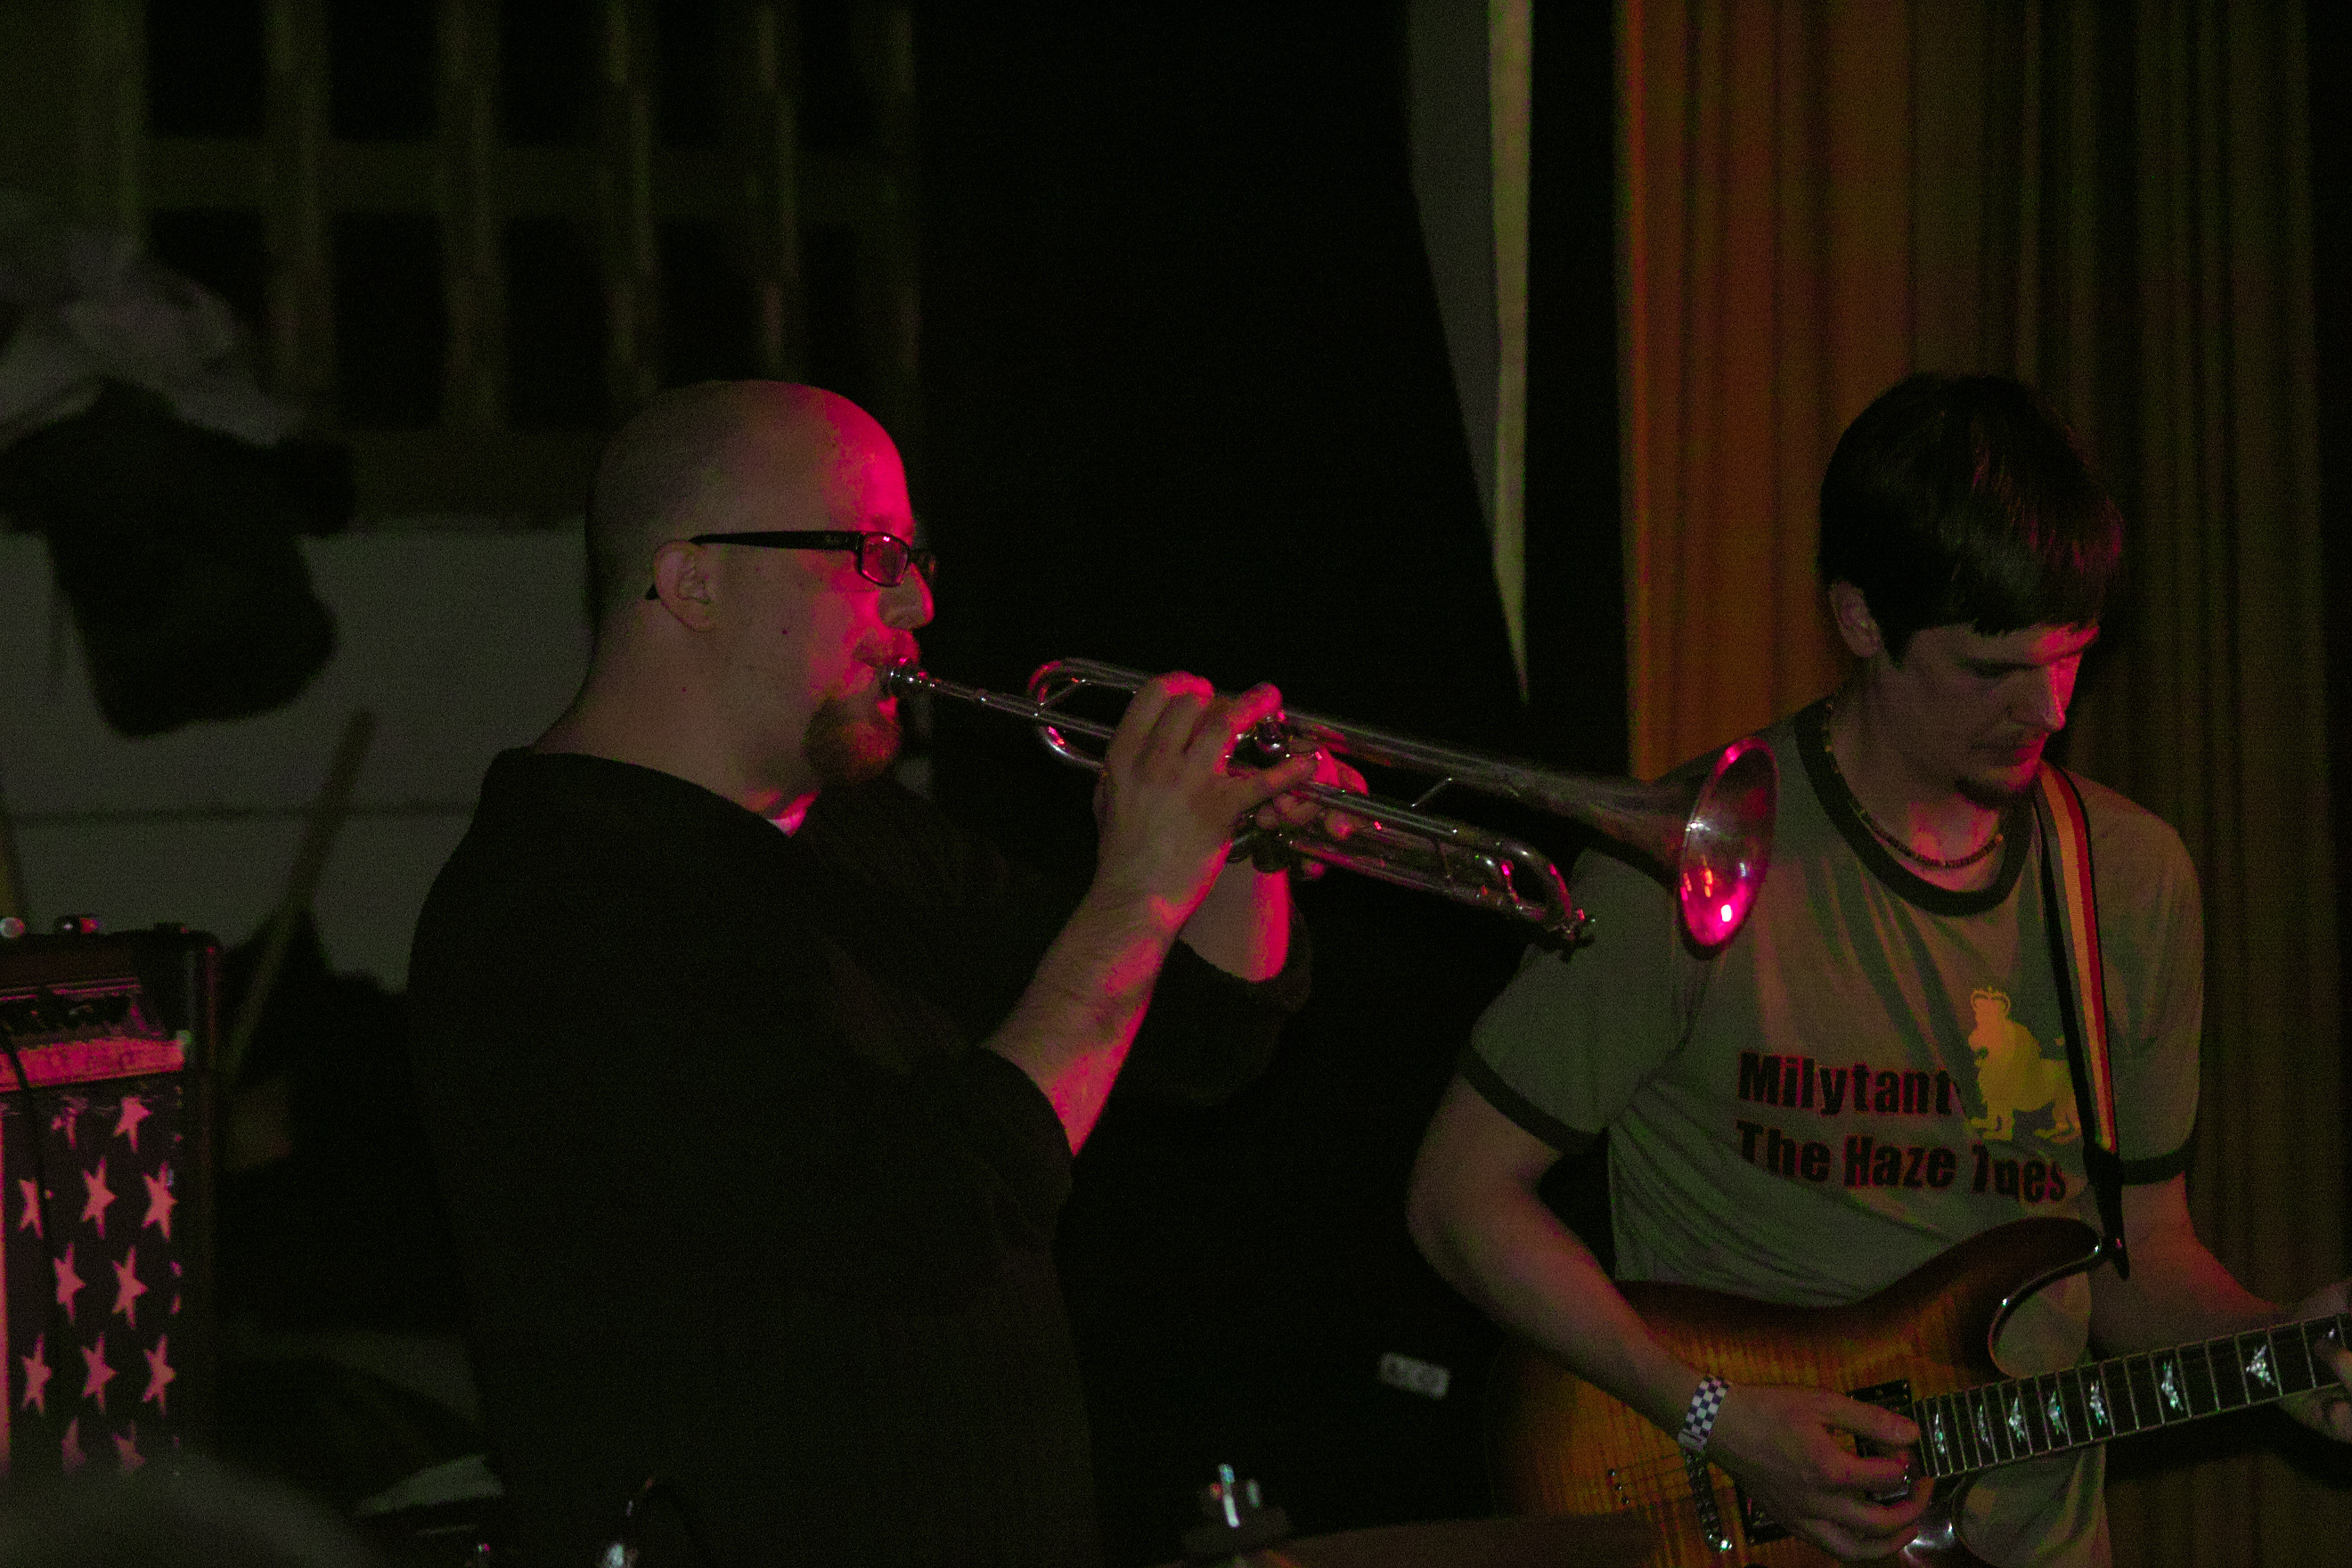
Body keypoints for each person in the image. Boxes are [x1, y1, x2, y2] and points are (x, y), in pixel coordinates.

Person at [1406, 373, 2352, 1565]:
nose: (2045, 710)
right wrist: (1712, 1414)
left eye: (2070, 658)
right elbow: (1458, 1196)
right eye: (1990, 670)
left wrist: (2282, 1353)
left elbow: (2141, 1256)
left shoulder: (2131, 880)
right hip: (1756, 1524)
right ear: (1859, 621)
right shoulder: (1692, 864)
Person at [407, 380, 1342, 1567]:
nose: (917, 602)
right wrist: (1137, 896)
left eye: (913, 558)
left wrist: (1240, 851)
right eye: (871, 555)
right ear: (695, 582)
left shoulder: (856, 834)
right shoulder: (556, 903)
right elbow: (924, 1222)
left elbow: (1191, 1038)